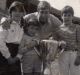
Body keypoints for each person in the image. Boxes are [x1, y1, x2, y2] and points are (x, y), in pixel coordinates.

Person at [0, 1, 26, 75]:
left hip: (17, 54)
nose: (17, 13)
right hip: (4, 54)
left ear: (23, 13)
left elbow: (23, 42)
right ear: (10, 12)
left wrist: (18, 56)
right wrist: (8, 57)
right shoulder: (6, 22)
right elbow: (0, 41)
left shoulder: (23, 24)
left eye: (20, 11)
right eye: (15, 10)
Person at [55, 6, 80, 75]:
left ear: (72, 17)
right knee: (63, 73)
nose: (67, 17)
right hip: (62, 54)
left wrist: (79, 56)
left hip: (74, 54)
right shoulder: (58, 29)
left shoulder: (77, 27)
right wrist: (59, 43)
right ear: (61, 17)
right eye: (65, 15)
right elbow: (55, 41)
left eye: (69, 15)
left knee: (75, 73)